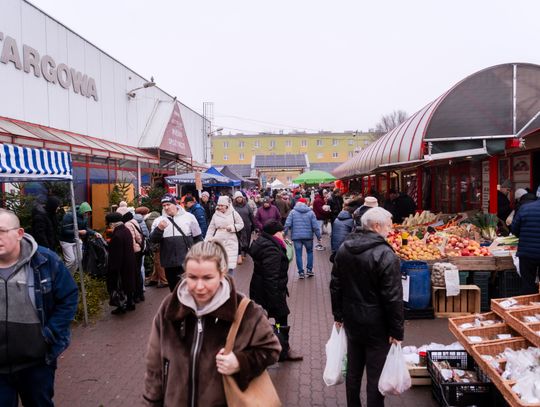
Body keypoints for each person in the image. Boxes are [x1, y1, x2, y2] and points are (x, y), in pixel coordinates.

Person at [143, 241, 281, 406]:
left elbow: (271, 349)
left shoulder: (244, 311)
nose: (199, 286)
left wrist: (241, 362)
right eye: (192, 277)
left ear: (222, 274)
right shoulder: (170, 307)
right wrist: (151, 401)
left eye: (208, 278)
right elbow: (154, 364)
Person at [0, 208, 78, 406]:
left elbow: (68, 297)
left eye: (1, 231)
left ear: (19, 233)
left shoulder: (45, 261)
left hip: (36, 363)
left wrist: (48, 335)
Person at [330, 207, 404, 407]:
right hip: (377, 325)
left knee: (353, 371)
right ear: (377, 226)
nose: (390, 230)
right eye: (388, 226)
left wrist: (338, 315)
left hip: (352, 319)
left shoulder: (345, 248)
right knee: (375, 375)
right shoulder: (385, 254)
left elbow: (335, 284)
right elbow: (393, 297)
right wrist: (396, 330)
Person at [249, 220, 303, 362]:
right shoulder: (271, 249)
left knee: (261, 320)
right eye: (281, 231)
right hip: (270, 291)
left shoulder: (263, 242)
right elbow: (271, 276)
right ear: (274, 233)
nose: (283, 234)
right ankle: (283, 351)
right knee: (280, 319)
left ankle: (263, 350)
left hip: (259, 289)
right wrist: (275, 300)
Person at [150, 195, 203, 292]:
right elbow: (153, 239)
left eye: (168, 204)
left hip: (186, 260)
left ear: (175, 204)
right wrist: (159, 229)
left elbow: (198, 237)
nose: (166, 207)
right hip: (168, 262)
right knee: (174, 291)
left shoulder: (189, 217)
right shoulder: (159, 221)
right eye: (164, 205)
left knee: (187, 289)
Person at [105, 212, 139, 314]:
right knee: (129, 284)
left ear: (112, 224)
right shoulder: (126, 230)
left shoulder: (117, 235)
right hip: (129, 261)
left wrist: (113, 269)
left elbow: (116, 255)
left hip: (121, 265)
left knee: (119, 286)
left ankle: (121, 306)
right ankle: (130, 303)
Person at [284, 197, 322, 279]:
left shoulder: (292, 212)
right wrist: (319, 236)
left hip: (296, 237)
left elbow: (287, 224)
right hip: (308, 237)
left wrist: (284, 234)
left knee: (298, 254)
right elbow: (315, 226)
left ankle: (301, 272)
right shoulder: (311, 212)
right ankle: (309, 270)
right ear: (306, 203)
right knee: (310, 252)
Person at [206, 196, 244, 274]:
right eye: (219, 205)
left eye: (222, 205)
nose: (220, 207)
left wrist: (232, 227)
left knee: (229, 264)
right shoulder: (215, 214)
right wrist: (207, 239)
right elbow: (211, 228)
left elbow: (241, 224)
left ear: (227, 205)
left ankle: (229, 280)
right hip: (218, 240)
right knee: (219, 264)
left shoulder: (233, 213)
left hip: (231, 239)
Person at [59, 202, 101, 273]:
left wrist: (94, 233)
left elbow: (86, 228)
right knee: (71, 260)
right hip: (66, 240)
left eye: (88, 212)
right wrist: (79, 231)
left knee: (79, 259)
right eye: (85, 212)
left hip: (76, 239)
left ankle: (71, 275)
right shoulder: (69, 216)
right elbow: (65, 231)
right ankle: (62, 275)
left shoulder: (84, 217)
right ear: (82, 211)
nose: (87, 214)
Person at [511, 198, 540, 294]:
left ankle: (529, 302)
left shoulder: (525, 208)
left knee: (528, 284)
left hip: (527, 253)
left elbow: (514, 229)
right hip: (528, 251)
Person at [117, 206, 145, 303]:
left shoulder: (127, 224)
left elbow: (131, 240)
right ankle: (140, 294)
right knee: (137, 273)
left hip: (133, 251)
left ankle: (136, 295)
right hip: (139, 250)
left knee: (134, 274)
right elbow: (138, 237)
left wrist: (128, 252)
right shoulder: (133, 220)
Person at [144, 209, 168, 288]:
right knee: (156, 261)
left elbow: (152, 234)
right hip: (162, 242)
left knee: (158, 262)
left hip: (157, 243)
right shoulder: (159, 219)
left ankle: (164, 281)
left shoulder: (152, 220)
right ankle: (154, 278)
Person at [232, 191, 255, 265]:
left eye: (240, 197)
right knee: (238, 239)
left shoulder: (247, 205)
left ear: (242, 198)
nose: (239, 199)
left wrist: (254, 225)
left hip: (247, 226)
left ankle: (245, 252)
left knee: (247, 239)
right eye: (237, 197)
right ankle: (239, 253)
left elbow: (251, 216)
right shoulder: (232, 206)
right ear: (235, 199)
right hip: (237, 226)